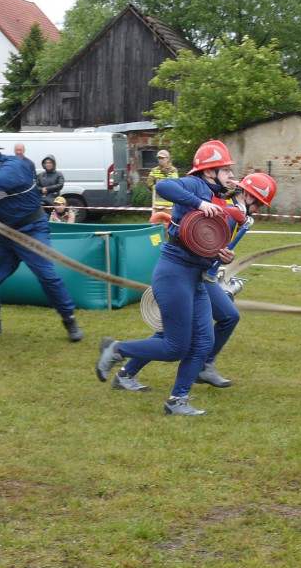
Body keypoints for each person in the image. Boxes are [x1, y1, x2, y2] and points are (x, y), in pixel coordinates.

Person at [95, 139, 237, 416]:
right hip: (174, 273)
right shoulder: (196, 186)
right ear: (210, 172)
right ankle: (116, 349)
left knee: (204, 343)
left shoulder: (218, 197)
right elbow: (162, 186)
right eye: (226, 169)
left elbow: (204, 246)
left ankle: (177, 401)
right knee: (175, 347)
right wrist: (199, 203)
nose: (231, 175)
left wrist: (222, 255)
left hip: (195, 277)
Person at [112, 172, 277, 394]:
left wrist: (223, 259)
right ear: (248, 196)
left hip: (202, 273)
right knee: (176, 335)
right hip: (188, 272)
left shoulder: (241, 216)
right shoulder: (223, 208)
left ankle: (200, 366)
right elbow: (197, 240)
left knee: (226, 317)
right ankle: (129, 369)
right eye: (259, 203)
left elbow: (215, 249)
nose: (259, 210)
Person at [0, 129, 83, 341]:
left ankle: (69, 320)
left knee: (47, 275)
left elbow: (3, 180)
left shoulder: (14, 164)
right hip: (3, 234)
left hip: (31, 228)